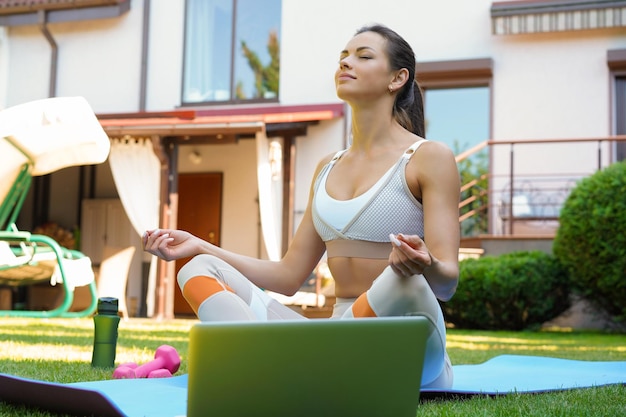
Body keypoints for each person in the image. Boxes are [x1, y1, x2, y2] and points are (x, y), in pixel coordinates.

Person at [143, 24, 460, 389]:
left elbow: (446, 283)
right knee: (197, 268)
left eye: (363, 56)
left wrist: (425, 263)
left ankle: (288, 370)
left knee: (404, 281)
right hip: (337, 337)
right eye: (343, 56)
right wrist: (199, 245)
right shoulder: (327, 167)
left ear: (397, 78)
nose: (346, 62)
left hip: (408, 344)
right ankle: (283, 367)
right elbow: (288, 277)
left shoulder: (428, 157)